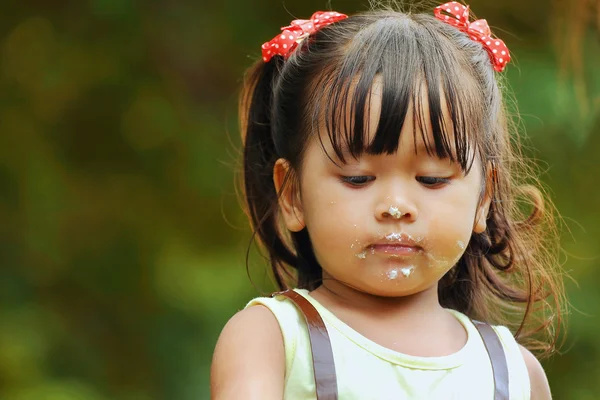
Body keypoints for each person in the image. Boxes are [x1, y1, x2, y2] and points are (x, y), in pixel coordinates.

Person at [211, 2, 566, 399]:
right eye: (358, 178)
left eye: (431, 179)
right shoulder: (271, 341)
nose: (395, 206)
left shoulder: (515, 372)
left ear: (483, 197)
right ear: (292, 194)